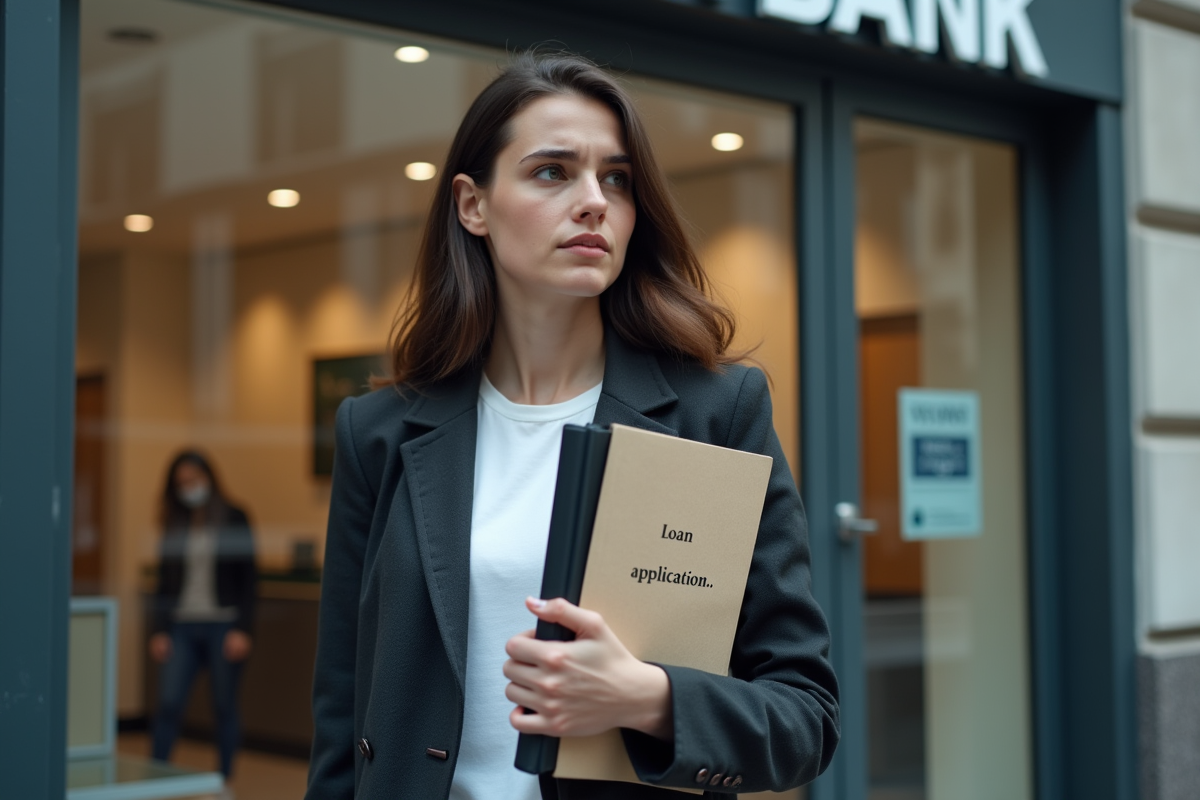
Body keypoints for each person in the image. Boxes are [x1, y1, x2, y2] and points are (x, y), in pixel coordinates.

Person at [306, 52, 839, 800]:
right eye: (552, 172)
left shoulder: (715, 413)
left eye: (615, 179)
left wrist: (646, 697)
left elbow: (804, 717)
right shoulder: (378, 430)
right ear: (473, 206)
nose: (593, 201)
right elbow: (342, 715)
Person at [149, 450, 257, 780]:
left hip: (223, 624)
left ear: (209, 478)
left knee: (224, 706)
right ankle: (156, 776)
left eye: (194, 479)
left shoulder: (235, 516)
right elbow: (164, 582)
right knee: (168, 702)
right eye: (182, 482)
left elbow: (249, 579)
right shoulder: (174, 522)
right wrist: (159, 630)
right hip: (181, 625)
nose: (189, 487)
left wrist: (243, 628)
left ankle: (224, 781)